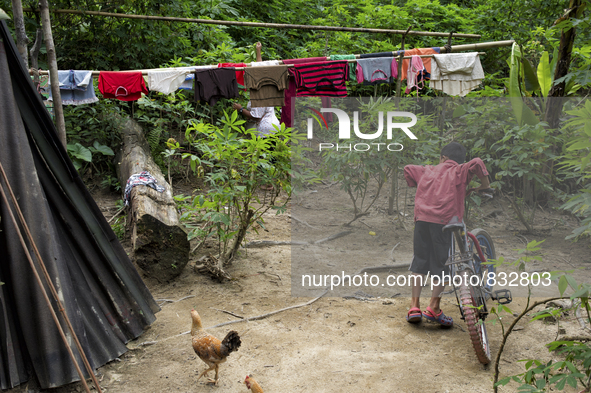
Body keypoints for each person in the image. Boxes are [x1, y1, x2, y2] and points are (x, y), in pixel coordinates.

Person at [403, 141, 490, 326]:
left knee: (419, 262)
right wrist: (484, 185)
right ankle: (434, 307)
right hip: (444, 223)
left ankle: (414, 306)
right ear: (458, 161)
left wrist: (419, 185)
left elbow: (408, 169)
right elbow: (477, 163)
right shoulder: (459, 171)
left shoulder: (428, 170)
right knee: (442, 264)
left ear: (443, 157)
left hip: (421, 220)